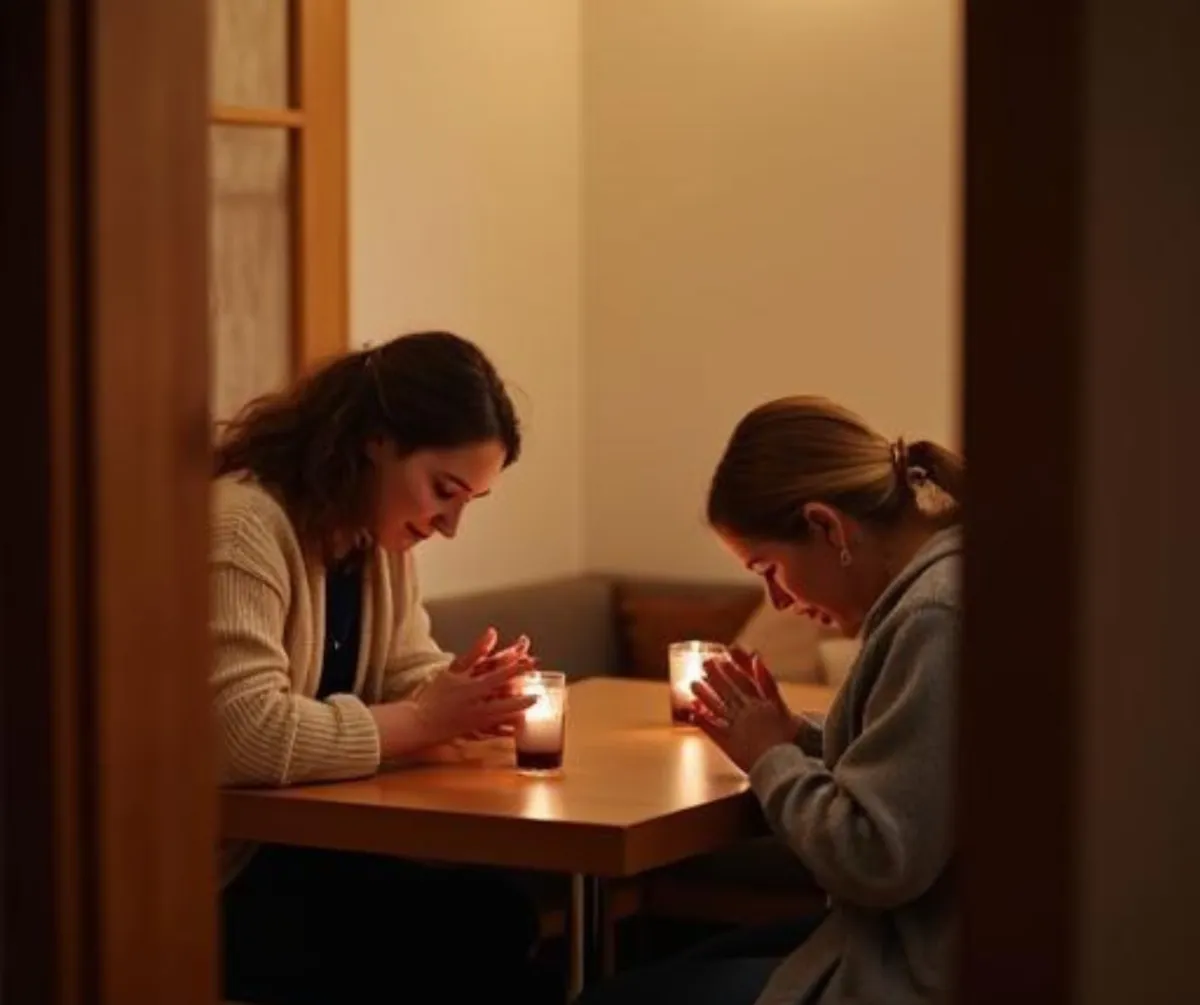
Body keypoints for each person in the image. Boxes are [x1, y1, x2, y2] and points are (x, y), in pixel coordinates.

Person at [577, 396, 964, 1005]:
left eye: (768, 569)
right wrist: (795, 737)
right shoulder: (939, 588)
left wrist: (769, 757)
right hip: (908, 938)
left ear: (827, 528)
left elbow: (876, 858)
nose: (778, 602)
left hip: (921, 970)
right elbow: (916, 772)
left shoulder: (933, 615)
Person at [212, 331, 558, 1005]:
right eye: (442, 490)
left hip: (306, 855)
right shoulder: (243, 527)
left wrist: (470, 694)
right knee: (473, 934)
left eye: (467, 502)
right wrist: (428, 716)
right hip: (212, 880)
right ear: (374, 439)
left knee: (497, 914)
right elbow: (240, 732)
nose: (449, 523)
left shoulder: (374, 539)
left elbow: (403, 669)